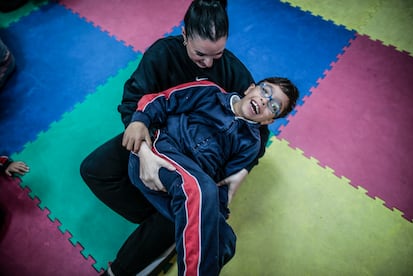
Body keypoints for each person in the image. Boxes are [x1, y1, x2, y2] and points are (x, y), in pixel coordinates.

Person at [80, 1, 269, 275]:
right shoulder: (162, 53)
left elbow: (261, 130)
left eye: (217, 54)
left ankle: (170, 226)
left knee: (181, 209)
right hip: (156, 135)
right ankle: (173, 221)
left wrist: (243, 170)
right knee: (94, 170)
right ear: (184, 35)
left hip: (196, 158)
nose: (208, 63)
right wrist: (144, 151)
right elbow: (133, 100)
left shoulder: (232, 71)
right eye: (200, 54)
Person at [127, 78, 299, 275]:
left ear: (269, 121)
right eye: (265, 91)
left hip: (187, 190)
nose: (264, 101)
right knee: (201, 188)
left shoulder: (251, 143)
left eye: (273, 106)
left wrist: (216, 213)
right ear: (250, 88)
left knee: (225, 240)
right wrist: (140, 120)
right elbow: (162, 100)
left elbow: (224, 184)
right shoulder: (210, 92)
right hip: (159, 156)